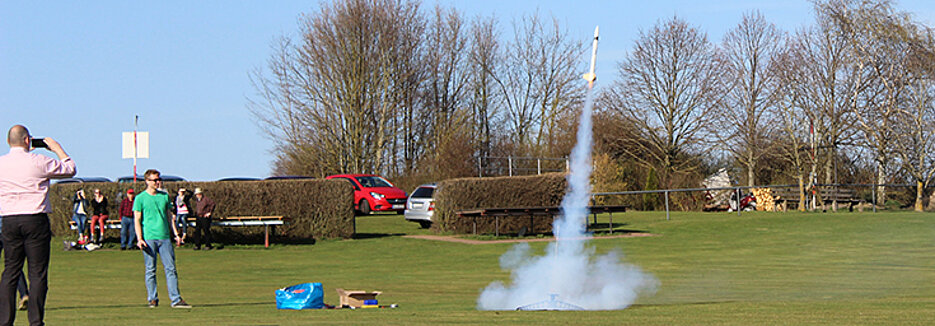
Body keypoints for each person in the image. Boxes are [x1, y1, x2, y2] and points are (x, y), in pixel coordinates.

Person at [0, 125, 76, 325]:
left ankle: (5, 320)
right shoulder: (39, 161)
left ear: (9, 142)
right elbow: (70, 169)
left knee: (10, 271)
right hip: (35, 218)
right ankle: (35, 321)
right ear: (28, 140)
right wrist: (57, 148)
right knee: (37, 273)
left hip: (9, 219)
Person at [133, 169, 191, 308]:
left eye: (159, 179)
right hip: (149, 238)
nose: (158, 182)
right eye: (154, 180)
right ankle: (152, 299)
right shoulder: (140, 198)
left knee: (170, 268)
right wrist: (140, 238)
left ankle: (175, 299)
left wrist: (176, 234)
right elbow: (137, 219)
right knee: (150, 269)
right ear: (147, 181)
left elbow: (170, 216)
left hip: (164, 237)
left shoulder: (164, 197)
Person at [0, 218, 29, 312]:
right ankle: (24, 294)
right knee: (13, 266)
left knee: (12, 267)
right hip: (10, 229)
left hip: (7, 228)